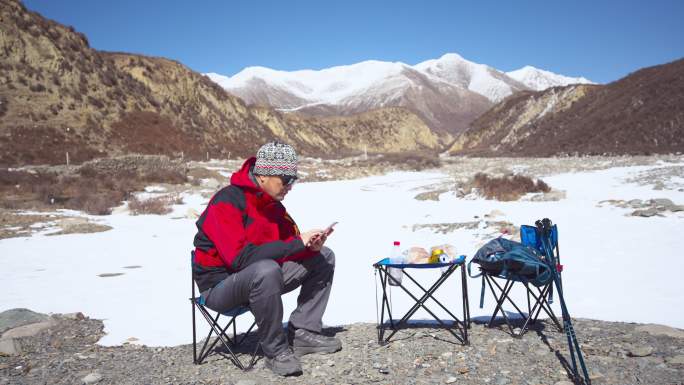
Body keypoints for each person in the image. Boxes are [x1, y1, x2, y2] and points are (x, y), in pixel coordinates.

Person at [192, 141, 341, 376]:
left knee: (323, 256)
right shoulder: (227, 201)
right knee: (266, 270)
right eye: (286, 179)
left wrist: (309, 247)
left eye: (294, 179)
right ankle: (275, 351)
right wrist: (295, 243)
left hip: (260, 280)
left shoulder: (274, 207)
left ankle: (304, 332)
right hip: (219, 287)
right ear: (263, 175)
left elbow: (287, 247)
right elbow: (239, 260)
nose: (290, 186)